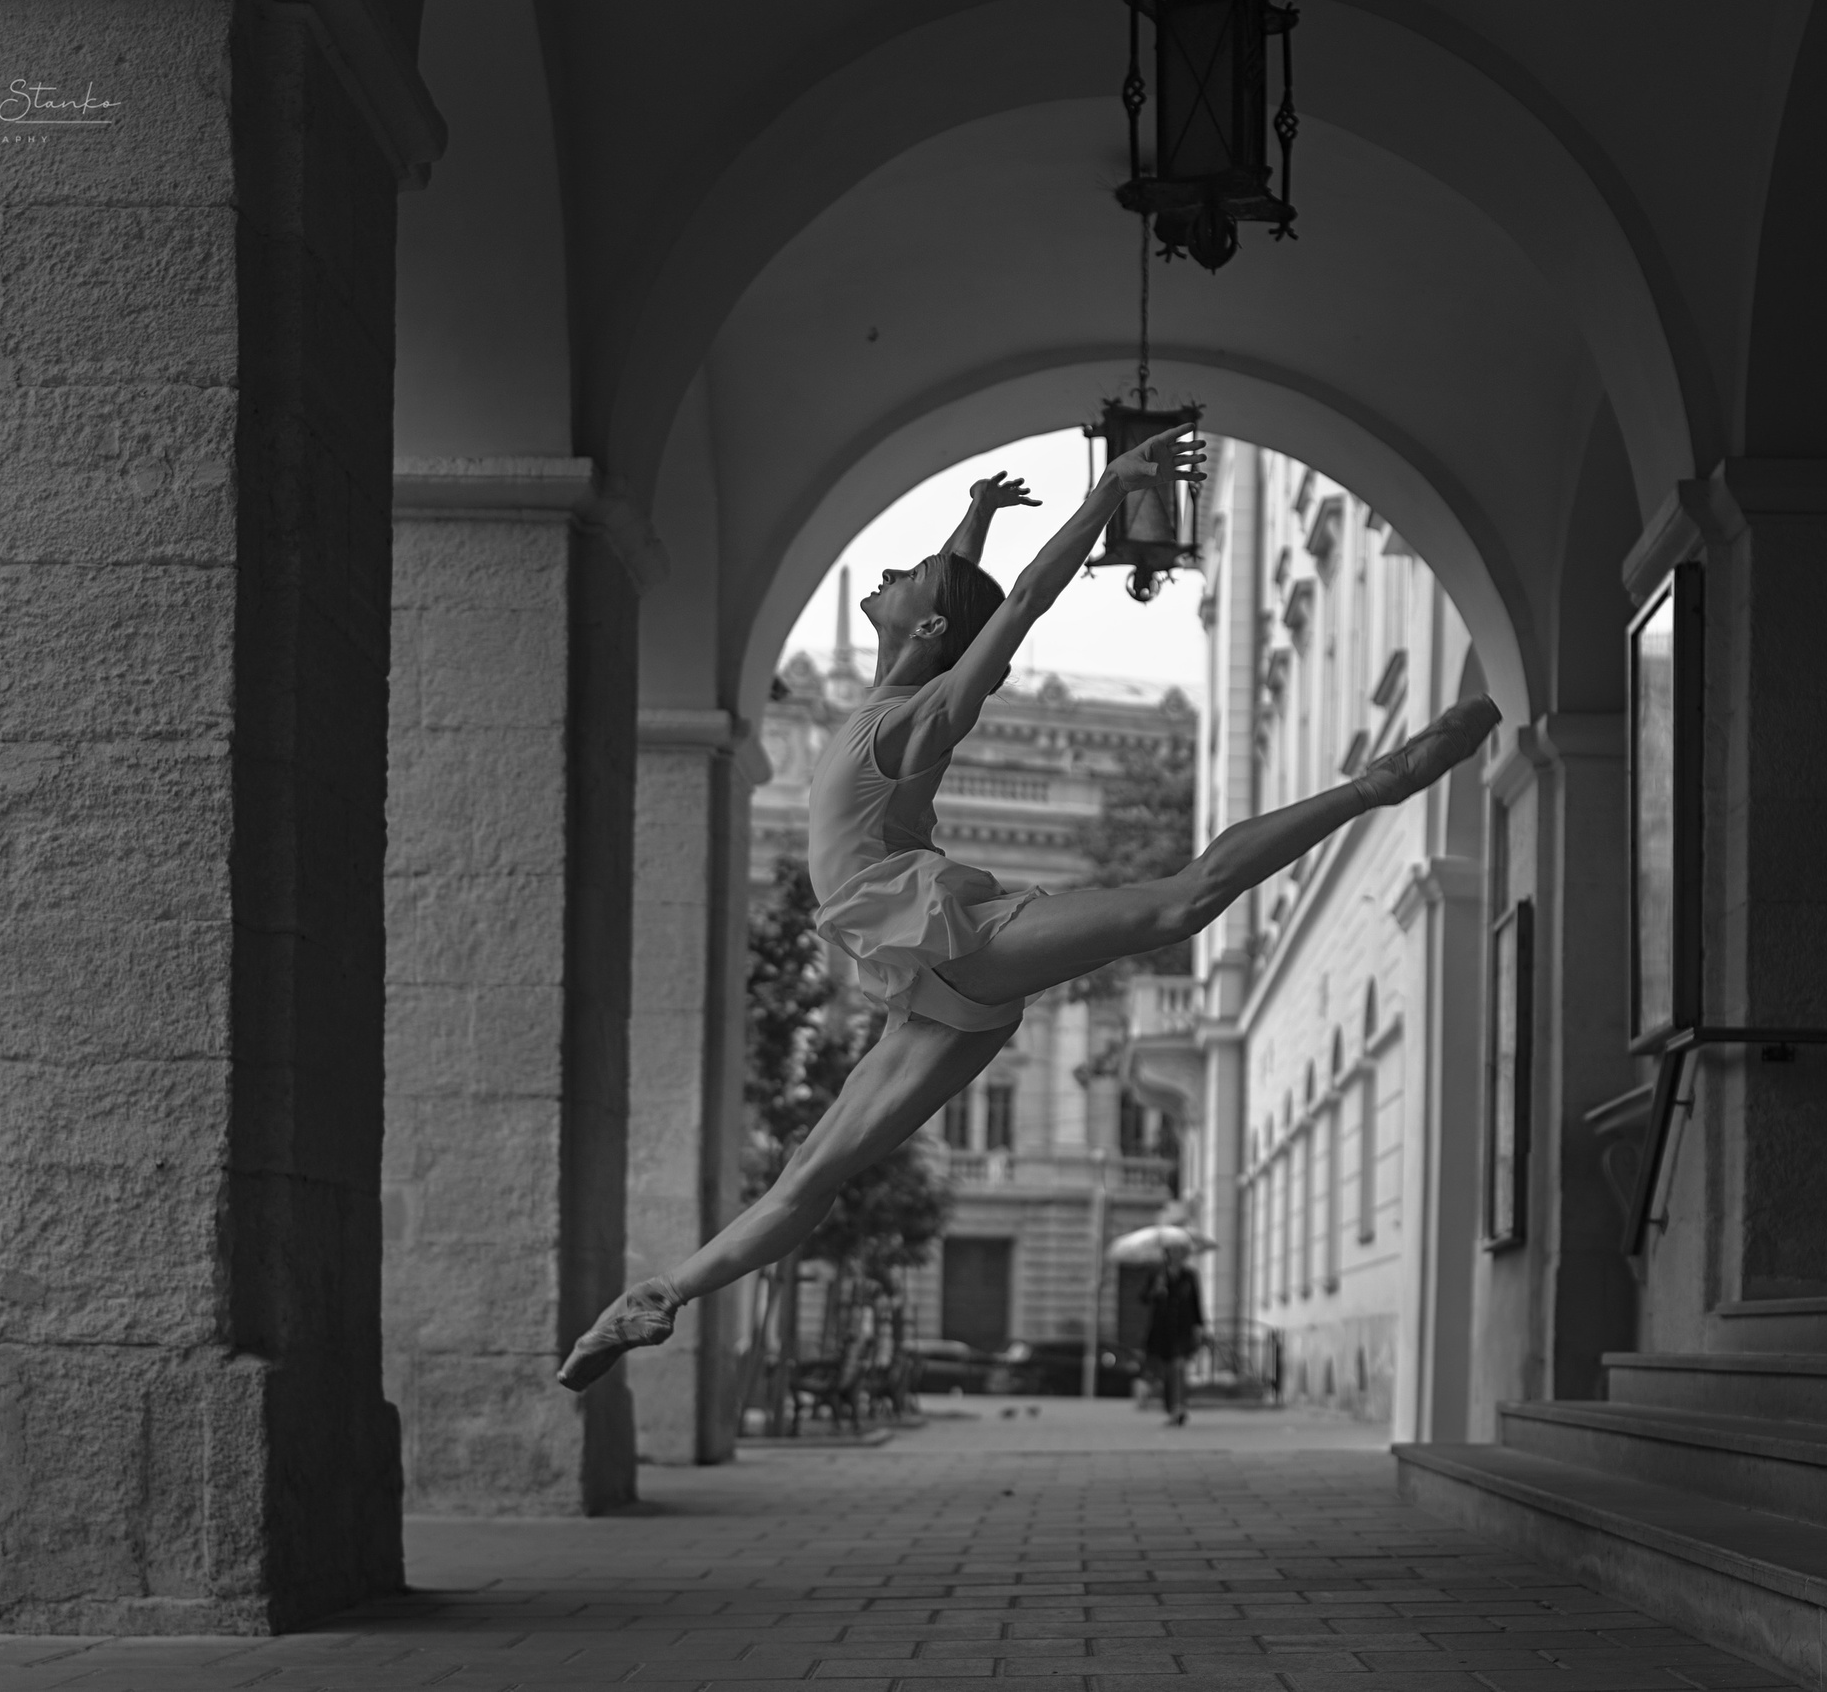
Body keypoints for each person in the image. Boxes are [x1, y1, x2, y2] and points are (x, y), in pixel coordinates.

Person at [559, 425, 1503, 1391]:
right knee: (812, 1173)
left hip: (946, 938)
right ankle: (664, 1293)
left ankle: (1382, 780)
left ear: (925, 633)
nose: (895, 568)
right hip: (927, 984)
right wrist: (971, 521)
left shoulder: (922, 713)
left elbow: (1016, 602)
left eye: (913, 572)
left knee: (1179, 906)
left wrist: (1105, 496)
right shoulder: (892, 689)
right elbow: (958, 596)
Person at [1140, 1243, 1205, 1425]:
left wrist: (1199, 1326)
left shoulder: (1189, 1276)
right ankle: (1172, 1408)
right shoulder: (1158, 1274)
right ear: (1167, 1254)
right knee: (1168, 1371)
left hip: (1183, 1329)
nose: (1176, 1255)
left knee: (1179, 1367)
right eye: (1173, 1251)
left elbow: (1196, 1302)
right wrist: (1156, 1291)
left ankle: (1179, 1407)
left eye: (1180, 1251)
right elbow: (1143, 1298)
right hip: (1163, 1330)